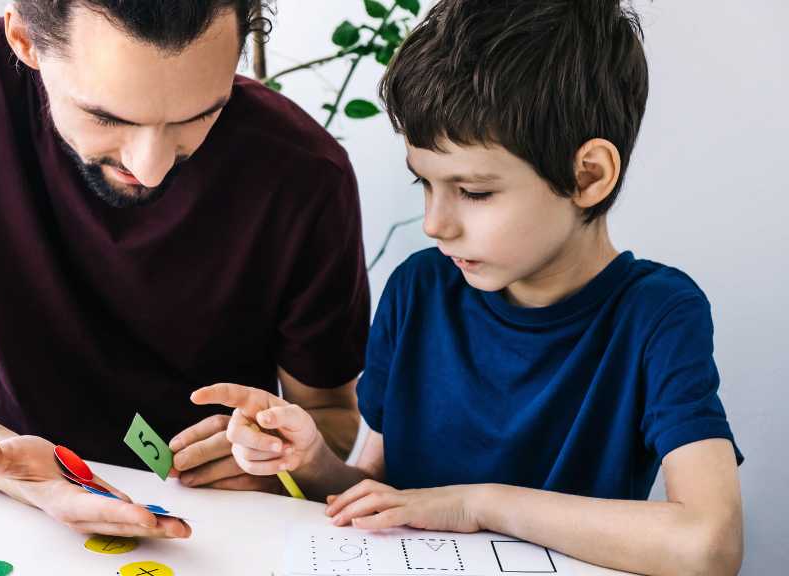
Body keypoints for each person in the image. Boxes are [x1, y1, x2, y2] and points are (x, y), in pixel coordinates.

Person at [198, 1, 745, 573]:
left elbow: (709, 544)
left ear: (588, 177)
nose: (435, 224)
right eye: (424, 184)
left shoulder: (658, 315)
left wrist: (478, 504)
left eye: (475, 192)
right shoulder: (418, 290)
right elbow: (384, 496)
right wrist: (312, 462)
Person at [0, 0, 369, 540]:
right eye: (108, 117)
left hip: (212, 525)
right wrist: (7, 467)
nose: (151, 166)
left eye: (198, 115)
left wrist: (281, 457)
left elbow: (330, 414)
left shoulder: (304, 173)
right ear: (23, 38)